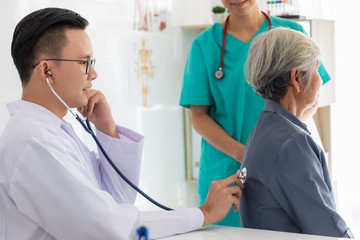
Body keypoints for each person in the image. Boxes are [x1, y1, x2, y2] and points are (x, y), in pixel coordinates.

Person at [0, 7, 244, 240]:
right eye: (84, 63)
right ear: (46, 70)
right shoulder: (35, 143)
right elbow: (109, 228)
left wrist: (107, 129)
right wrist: (204, 213)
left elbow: (117, 200)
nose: (93, 75)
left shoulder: (53, 132)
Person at [179, 0, 330, 227]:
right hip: (225, 175)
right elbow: (199, 117)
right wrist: (247, 153)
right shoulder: (204, 45)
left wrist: (282, 145)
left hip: (282, 167)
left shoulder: (291, 34)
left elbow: (311, 97)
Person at [239, 27, 354, 238]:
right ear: (296, 78)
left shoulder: (265, 129)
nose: (320, 80)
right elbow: (329, 231)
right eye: (316, 70)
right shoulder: (292, 144)